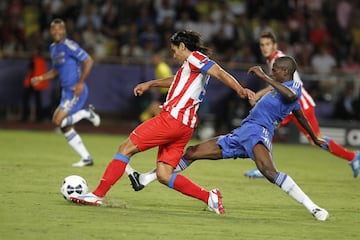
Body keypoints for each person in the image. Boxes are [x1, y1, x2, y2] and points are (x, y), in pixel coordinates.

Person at [69, 30, 254, 215]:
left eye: (174, 50)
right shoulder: (191, 65)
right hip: (185, 126)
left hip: (171, 120)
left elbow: (219, 72)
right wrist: (151, 83)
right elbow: (177, 80)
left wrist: (240, 89)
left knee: (125, 148)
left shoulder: (196, 57)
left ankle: (97, 195)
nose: (173, 54)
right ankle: (209, 197)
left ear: (182, 46)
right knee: (164, 175)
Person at [126, 56, 330, 221]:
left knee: (269, 172)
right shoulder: (277, 90)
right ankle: (146, 178)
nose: (272, 71)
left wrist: (263, 77)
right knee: (193, 152)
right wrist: (314, 136)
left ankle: (313, 207)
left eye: (275, 69)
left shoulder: (293, 87)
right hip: (241, 133)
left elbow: (293, 99)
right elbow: (300, 115)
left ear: (285, 72)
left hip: (258, 133)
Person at [243, 31, 359, 178]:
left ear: (275, 45)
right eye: (261, 45)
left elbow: (278, 85)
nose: (264, 47)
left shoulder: (278, 60)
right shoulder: (274, 59)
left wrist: (258, 95)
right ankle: (264, 167)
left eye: (267, 44)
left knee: (315, 139)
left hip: (299, 103)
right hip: (287, 104)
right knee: (267, 127)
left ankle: (353, 157)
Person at [31, 18, 100, 167]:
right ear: (50, 31)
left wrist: (80, 82)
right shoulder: (53, 48)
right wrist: (41, 77)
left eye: (59, 29)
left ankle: (87, 113)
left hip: (75, 90)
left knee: (57, 121)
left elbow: (88, 61)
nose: (57, 32)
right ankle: (86, 158)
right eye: (54, 29)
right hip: (66, 92)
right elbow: (57, 70)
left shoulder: (69, 45)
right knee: (64, 126)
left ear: (64, 31)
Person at [139, 49, 173, 122]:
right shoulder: (159, 67)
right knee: (154, 109)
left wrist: (154, 86)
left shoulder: (162, 68)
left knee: (154, 109)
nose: (153, 60)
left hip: (167, 94)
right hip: (164, 94)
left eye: (154, 58)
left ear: (158, 58)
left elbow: (169, 82)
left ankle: (145, 125)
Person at [21, 47, 49, 122]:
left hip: (34, 82)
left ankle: (29, 117)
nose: (33, 52)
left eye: (35, 50)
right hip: (35, 83)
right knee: (35, 101)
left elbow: (30, 72)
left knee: (33, 100)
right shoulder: (39, 60)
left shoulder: (35, 60)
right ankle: (37, 117)